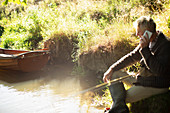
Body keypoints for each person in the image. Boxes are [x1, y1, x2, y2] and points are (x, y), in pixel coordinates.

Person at [103, 16, 170, 113]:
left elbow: (158, 70)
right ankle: (118, 109)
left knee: (122, 98)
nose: (136, 34)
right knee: (114, 74)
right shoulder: (147, 41)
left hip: (156, 85)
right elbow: (132, 57)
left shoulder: (166, 45)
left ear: (148, 32)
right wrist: (112, 68)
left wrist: (145, 49)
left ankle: (116, 109)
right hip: (143, 79)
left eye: (139, 32)